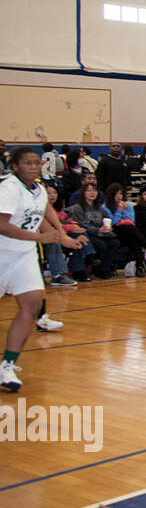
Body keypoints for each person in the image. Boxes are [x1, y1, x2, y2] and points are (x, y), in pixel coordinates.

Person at [0, 148, 85, 391]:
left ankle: (7, 365)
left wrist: (60, 234)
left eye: (37, 163)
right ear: (15, 166)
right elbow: (1, 225)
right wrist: (40, 238)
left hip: (22, 256)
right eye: (28, 163)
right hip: (2, 254)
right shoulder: (8, 188)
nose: (34, 166)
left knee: (32, 305)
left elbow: (45, 210)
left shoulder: (37, 188)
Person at [68, 181, 121, 279]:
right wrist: (98, 230)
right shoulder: (78, 208)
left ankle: (103, 268)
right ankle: (94, 266)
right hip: (88, 234)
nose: (92, 193)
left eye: (94, 191)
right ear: (83, 193)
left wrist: (108, 228)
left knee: (115, 242)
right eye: (89, 191)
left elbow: (107, 220)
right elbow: (82, 225)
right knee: (101, 245)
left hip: (102, 233)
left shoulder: (100, 209)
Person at [105, 183, 146, 275]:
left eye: (121, 194)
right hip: (114, 232)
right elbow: (113, 222)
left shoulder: (128, 206)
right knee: (129, 230)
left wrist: (124, 211)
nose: (119, 196)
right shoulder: (105, 207)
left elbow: (131, 221)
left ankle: (139, 267)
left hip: (128, 231)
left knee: (133, 239)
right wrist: (119, 211)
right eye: (117, 194)